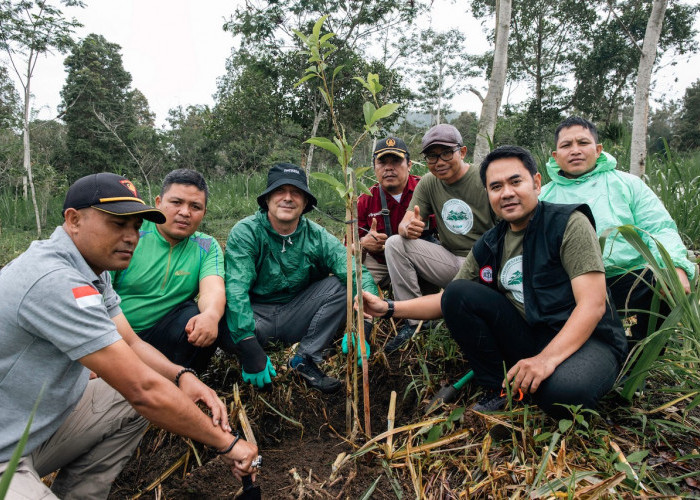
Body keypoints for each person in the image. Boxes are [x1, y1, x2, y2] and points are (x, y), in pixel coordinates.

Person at [0, 173, 257, 499]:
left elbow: (132, 342)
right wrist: (227, 443)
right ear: (73, 219)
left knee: (123, 399)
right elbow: (142, 389)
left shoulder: (95, 269)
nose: (131, 236)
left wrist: (181, 376)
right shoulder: (55, 279)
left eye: (135, 226)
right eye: (117, 224)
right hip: (5, 451)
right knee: (138, 392)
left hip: (33, 432)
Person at [360, 146, 628, 417]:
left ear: (536, 183)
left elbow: (592, 305)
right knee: (459, 291)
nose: (507, 193)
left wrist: (546, 361)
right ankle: (497, 389)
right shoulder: (490, 242)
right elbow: (447, 300)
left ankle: (558, 376)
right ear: (488, 194)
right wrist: (388, 308)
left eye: (515, 182)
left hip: (586, 338)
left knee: (563, 396)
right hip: (531, 335)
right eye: (496, 186)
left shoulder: (568, 224)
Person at [224, 163, 378, 394]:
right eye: (279, 191)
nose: (288, 198)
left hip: (298, 314)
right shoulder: (246, 232)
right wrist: (249, 348)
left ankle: (304, 357)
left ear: (305, 203)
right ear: (267, 199)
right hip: (258, 319)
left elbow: (355, 273)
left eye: (296, 193)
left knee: (340, 285)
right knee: (219, 322)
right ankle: (254, 352)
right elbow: (236, 290)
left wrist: (363, 324)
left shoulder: (317, 235)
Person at [539, 116, 695, 343]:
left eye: (583, 143)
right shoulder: (543, 196)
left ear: (598, 149)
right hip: (572, 286)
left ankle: (638, 361)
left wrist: (676, 268)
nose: (575, 150)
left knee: (657, 282)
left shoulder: (628, 184)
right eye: (566, 145)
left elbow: (659, 227)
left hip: (630, 280)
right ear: (555, 155)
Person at [382, 123, 496, 352]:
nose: (439, 162)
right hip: (451, 259)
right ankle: (414, 323)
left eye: (446, 153)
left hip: (487, 264)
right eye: (432, 156)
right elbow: (405, 223)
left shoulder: (484, 178)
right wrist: (408, 228)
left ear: (462, 152)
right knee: (395, 243)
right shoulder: (429, 183)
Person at [111, 169, 226, 373]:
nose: (185, 212)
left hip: (164, 332)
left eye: (195, 206)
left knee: (209, 316)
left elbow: (212, 290)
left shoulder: (206, 245)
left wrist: (210, 315)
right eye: (176, 202)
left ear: (204, 212)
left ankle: (185, 384)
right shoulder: (131, 234)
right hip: (114, 334)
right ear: (158, 202)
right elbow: (95, 294)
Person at [357, 136, 435, 289]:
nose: (388, 168)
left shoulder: (426, 189)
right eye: (382, 162)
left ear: (409, 165)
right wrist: (363, 244)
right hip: (380, 262)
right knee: (353, 286)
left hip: (418, 258)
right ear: (374, 167)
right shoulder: (365, 199)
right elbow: (349, 248)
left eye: (396, 161)